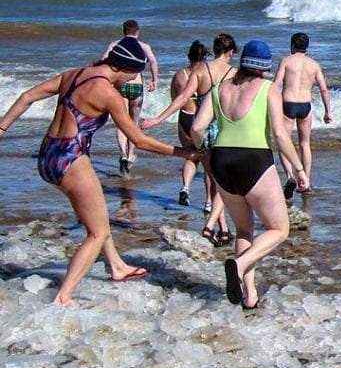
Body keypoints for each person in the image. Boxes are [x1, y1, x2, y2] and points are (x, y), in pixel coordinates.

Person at [0, 37, 194, 306]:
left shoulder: (75, 74)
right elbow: (138, 140)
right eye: (134, 73)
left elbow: (27, 96)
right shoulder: (108, 93)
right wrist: (186, 153)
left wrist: (1, 129)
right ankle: (64, 296)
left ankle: (116, 265)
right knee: (97, 233)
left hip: (48, 155)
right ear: (124, 67)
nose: (132, 80)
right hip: (71, 160)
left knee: (98, 215)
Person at [190, 40, 308, 310]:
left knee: (244, 229)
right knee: (279, 229)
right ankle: (239, 264)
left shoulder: (219, 88)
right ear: (265, 68)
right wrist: (299, 169)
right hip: (253, 160)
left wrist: (203, 149)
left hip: (221, 161)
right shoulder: (268, 88)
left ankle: (249, 295)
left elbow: (197, 127)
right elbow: (280, 134)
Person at [142, 33, 238, 244]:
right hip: (227, 131)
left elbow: (183, 98)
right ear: (230, 52)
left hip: (203, 131)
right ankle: (219, 227)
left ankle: (221, 227)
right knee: (222, 182)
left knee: (214, 177)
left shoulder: (201, 70)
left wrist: (158, 119)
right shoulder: (235, 74)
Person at [273, 32, 333, 196]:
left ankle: (291, 176)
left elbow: (276, 85)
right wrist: (328, 112)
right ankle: (305, 181)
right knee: (305, 144)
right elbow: (324, 89)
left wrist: (269, 106)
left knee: (284, 142)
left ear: (292, 45)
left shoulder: (286, 61)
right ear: (306, 47)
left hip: (288, 104)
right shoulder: (314, 64)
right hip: (305, 105)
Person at [102, 20, 159, 175]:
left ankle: (122, 154)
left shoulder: (115, 45)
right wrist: (155, 80)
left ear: (124, 31)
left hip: (120, 85)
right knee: (133, 123)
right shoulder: (144, 46)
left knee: (121, 123)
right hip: (136, 86)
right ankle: (131, 155)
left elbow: (103, 60)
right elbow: (153, 62)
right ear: (137, 31)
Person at [168, 40, 210, 207]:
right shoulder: (205, 74)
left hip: (185, 117)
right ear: (205, 56)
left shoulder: (180, 75)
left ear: (189, 56)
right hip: (201, 119)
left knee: (191, 156)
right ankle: (208, 202)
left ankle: (185, 188)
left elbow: (175, 98)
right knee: (208, 162)